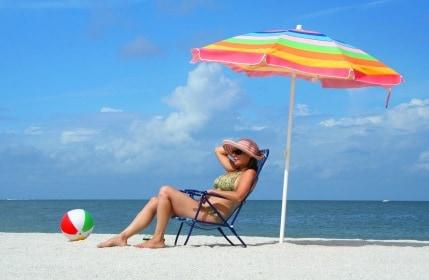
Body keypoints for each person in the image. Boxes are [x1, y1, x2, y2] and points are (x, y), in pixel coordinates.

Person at [97, 138, 264, 249]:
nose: (233, 155)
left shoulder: (249, 173)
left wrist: (214, 192)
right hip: (203, 208)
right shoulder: (233, 169)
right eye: (233, 151)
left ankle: (158, 239)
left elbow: (239, 196)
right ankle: (123, 237)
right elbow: (218, 150)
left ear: (250, 157)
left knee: (165, 190)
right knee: (156, 200)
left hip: (214, 214)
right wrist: (235, 150)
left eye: (238, 152)